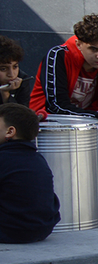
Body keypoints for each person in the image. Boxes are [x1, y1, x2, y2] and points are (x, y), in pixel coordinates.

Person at [29, 14, 98, 136]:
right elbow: (56, 105)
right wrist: (97, 117)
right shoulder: (58, 56)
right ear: (78, 44)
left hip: (89, 126)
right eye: (93, 49)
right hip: (46, 125)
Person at [0, 103, 61, 244]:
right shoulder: (38, 159)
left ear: (10, 132)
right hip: (42, 230)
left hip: (9, 231)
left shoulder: (4, 158)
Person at [0, 36, 32, 108]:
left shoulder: (22, 79)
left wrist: (5, 94)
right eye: (3, 69)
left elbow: (21, 116)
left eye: (15, 67)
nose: (11, 74)